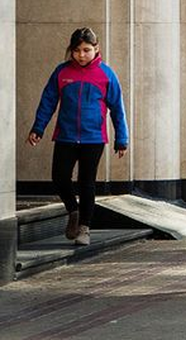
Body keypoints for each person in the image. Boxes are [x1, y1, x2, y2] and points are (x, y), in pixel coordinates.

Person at [27, 28, 128, 247]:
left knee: (86, 183)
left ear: (96, 49)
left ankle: (84, 228)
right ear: (71, 51)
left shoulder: (106, 74)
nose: (81, 55)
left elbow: (118, 109)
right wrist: (38, 128)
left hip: (94, 138)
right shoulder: (62, 73)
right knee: (59, 177)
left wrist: (122, 139)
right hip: (66, 136)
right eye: (77, 50)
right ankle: (73, 210)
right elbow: (48, 101)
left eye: (86, 50)